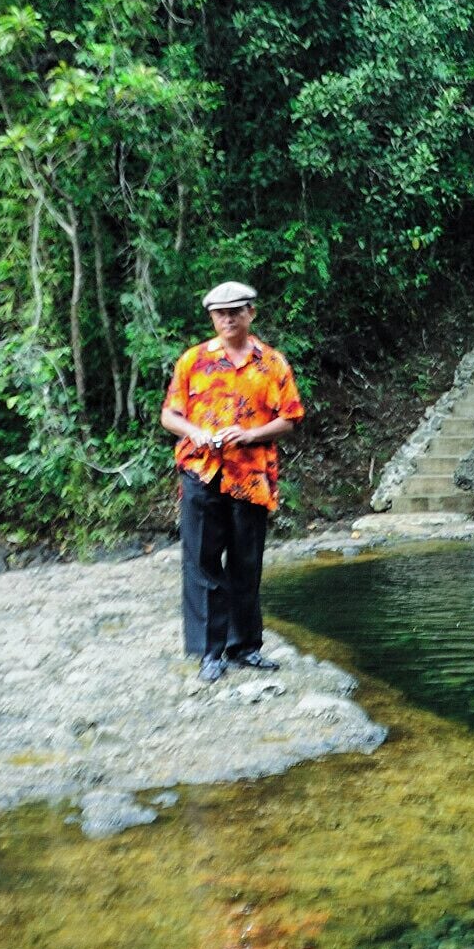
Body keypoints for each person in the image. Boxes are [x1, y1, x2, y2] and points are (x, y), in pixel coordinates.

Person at [159, 282, 305, 683]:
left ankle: (246, 647)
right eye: (220, 313)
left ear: (250, 313)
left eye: (235, 311)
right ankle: (211, 652)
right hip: (201, 472)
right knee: (203, 563)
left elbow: (291, 417)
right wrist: (196, 432)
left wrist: (251, 433)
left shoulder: (272, 363)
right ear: (212, 317)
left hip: (252, 477)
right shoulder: (193, 360)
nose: (227, 318)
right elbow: (169, 416)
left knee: (246, 563)